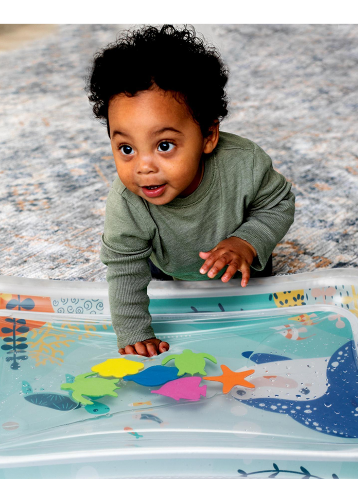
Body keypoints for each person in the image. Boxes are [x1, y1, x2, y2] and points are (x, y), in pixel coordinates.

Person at [88, 25, 295, 357]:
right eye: (126, 149)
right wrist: (134, 331)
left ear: (209, 136)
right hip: (169, 269)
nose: (143, 167)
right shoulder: (127, 202)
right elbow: (124, 266)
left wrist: (246, 242)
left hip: (242, 267)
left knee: (257, 335)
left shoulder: (244, 164)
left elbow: (279, 203)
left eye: (164, 145)